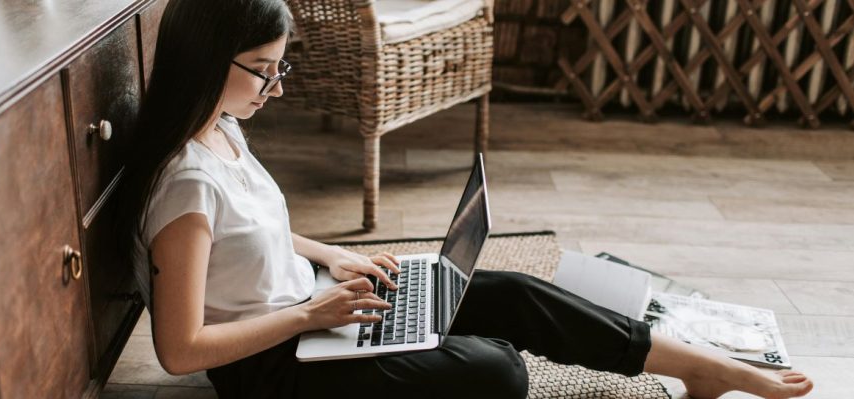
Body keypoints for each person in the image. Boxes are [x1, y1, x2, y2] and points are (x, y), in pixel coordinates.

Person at [114, 1, 814, 398]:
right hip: (273, 375)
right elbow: (180, 349)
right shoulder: (186, 186)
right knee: (499, 370)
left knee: (506, 290)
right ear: (210, 62)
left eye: (279, 69)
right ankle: (413, 345)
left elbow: (256, 230)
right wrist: (312, 310)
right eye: (264, 72)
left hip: (311, 314)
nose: (278, 88)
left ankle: (694, 364)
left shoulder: (225, 130)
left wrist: (332, 259)